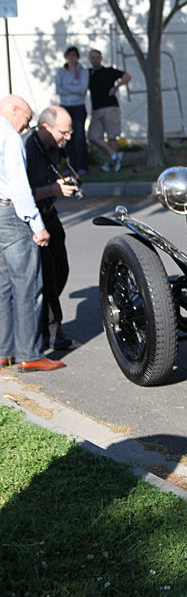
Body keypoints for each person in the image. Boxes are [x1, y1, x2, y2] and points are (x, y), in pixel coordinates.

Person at [0, 95, 65, 373]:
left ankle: (4, 351)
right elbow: (19, 186)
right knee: (28, 285)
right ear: (14, 110)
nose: (26, 126)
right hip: (11, 212)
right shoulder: (10, 137)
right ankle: (29, 354)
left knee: (2, 288)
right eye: (26, 118)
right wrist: (37, 224)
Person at [25, 106, 79, 352]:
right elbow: (22, 194)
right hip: (33, 217)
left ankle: (46, 322)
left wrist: (61, 184)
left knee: (61, 268)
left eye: (70, 133)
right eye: (64, 133)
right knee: (46, 273)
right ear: (45, 127)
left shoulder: (53, 145)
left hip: (49, 212)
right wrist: (53, 190)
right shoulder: (26, 147)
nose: (67, 138)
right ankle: (53, 331)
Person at [87, 49, 130, 172]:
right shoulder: (88, 73)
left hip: (111, 107)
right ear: (90, 59)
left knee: (112, 136)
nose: (95, 60)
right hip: (96, 109)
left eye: (97, 57)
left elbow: (127, 76)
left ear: (101, 58)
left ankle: (112, 163)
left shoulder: (109, 71)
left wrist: (116, 87)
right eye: (93, 57)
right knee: (93, 136)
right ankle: (114, 155)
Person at [55, 46, 89, 175]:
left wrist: (67, 88)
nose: (71, 58)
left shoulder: (83, 71)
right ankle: (70, 166)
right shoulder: (61, 72)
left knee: (80, 137)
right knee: (67, 137)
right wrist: (74, 88)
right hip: (65, 106)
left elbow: (82, 90)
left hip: (78, 106)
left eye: (74, 55)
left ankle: (83, 166)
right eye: (69, 55)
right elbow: (59, 90)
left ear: (77, 57)